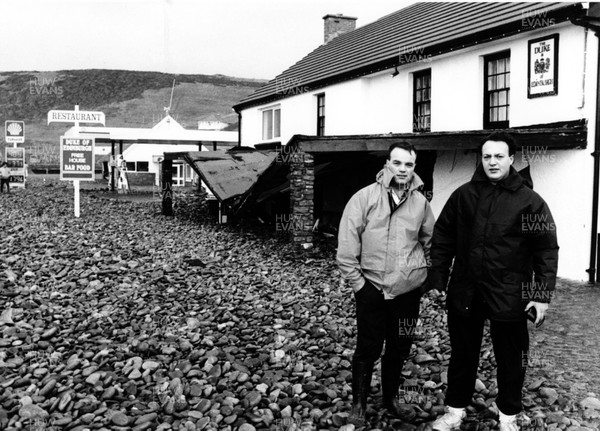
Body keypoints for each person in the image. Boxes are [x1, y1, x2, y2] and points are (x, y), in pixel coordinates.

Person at [428, 132, 559, 431]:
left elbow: (546, 249)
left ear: (511, 159)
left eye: (499, 156)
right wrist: (438, 277)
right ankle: (455, 410)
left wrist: (541, 296)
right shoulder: (463, 195)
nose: (492, 162)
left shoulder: (530, 201)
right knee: (462, 354)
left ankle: (508, 416)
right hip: (466, 289)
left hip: (510, 292)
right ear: (481, 159)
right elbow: (443, 236)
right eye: (487, 156)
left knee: (512, 357)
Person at [337, 142, 435, 426]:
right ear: (387, 163)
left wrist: (421, 278)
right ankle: (359, 404)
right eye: (398, 163)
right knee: (368, 346)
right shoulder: (364, 198)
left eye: (409, 164)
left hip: (406, 292)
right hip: (372, 288)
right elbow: (346, 247)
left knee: (399, 346)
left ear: (414, 167)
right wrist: (359, 285)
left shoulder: (421, 203)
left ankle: (390, 399)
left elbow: (430, 243)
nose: (403, 169)